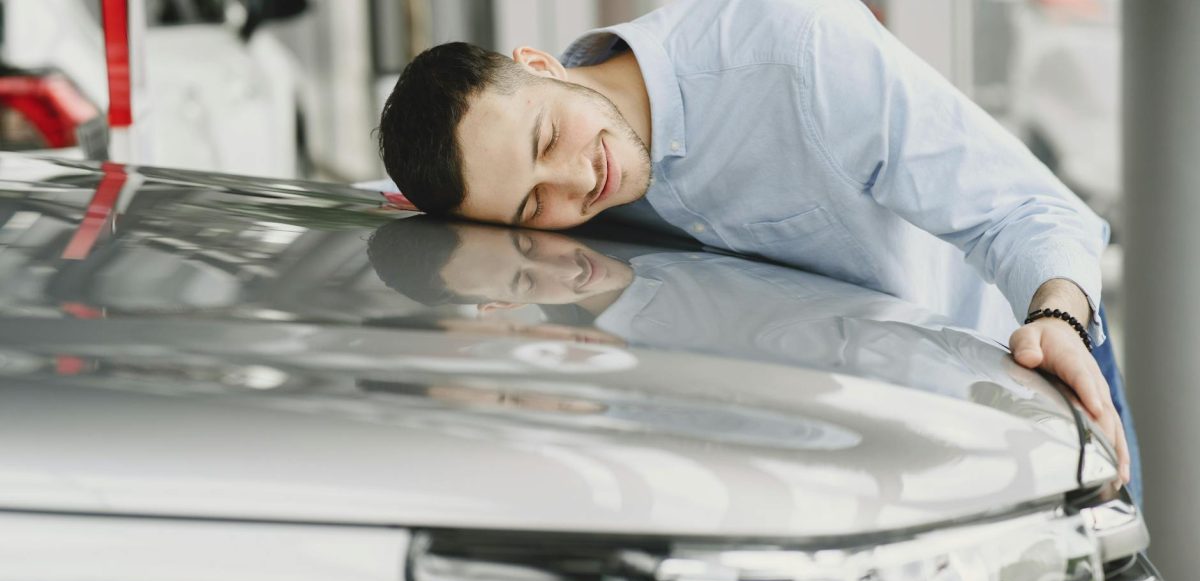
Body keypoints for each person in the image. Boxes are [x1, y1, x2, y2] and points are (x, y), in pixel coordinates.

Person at [374, 0, 1135, 491]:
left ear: (539, 66)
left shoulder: (795, 47)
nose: (577, 179)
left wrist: (1061, 322)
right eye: (534, 201)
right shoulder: (545, 219)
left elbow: (1031, 211)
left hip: (1032, 370)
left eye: (546, 135)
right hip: (852, 464)